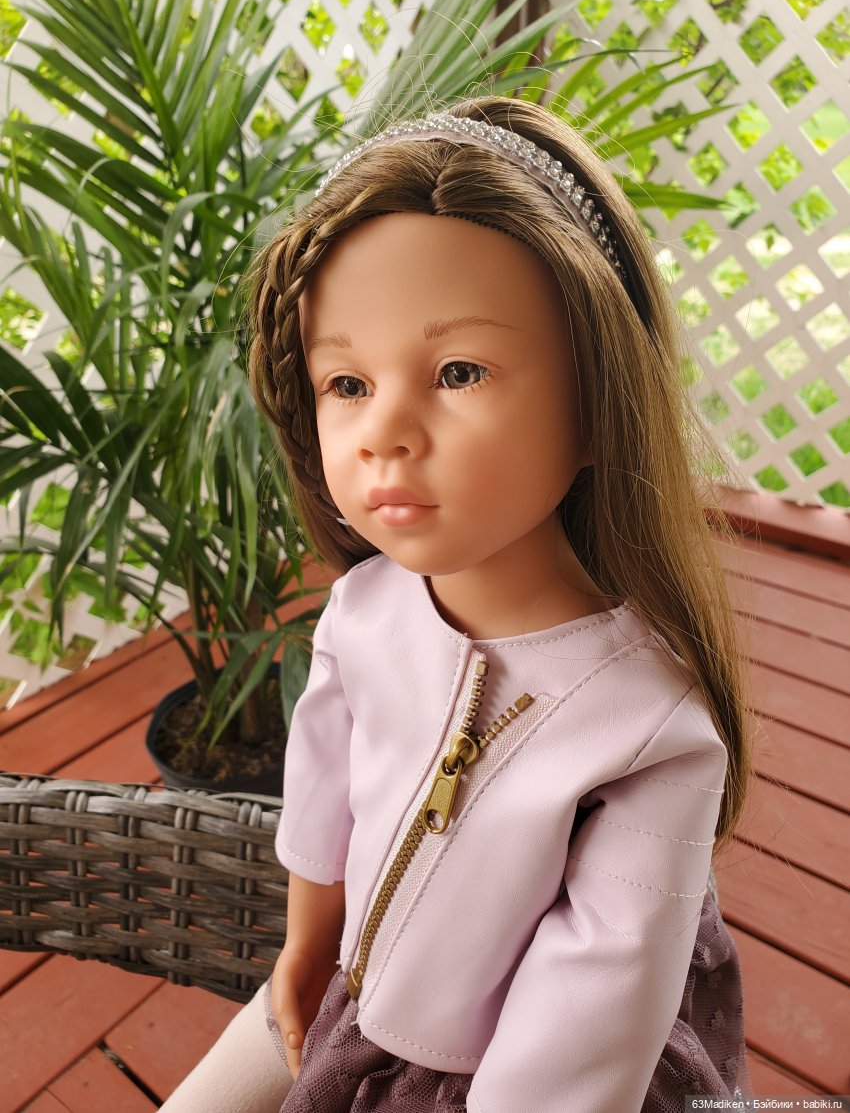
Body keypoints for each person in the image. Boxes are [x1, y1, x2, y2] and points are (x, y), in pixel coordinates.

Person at [161, 95, 752, 1113]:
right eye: (346, 382)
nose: (384, 430)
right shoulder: (365, 609)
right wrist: (306, 940)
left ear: (598, 402)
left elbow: (593, 1014)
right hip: (350, 999)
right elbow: (326, 789)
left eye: (459, 371)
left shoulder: (650, 727)